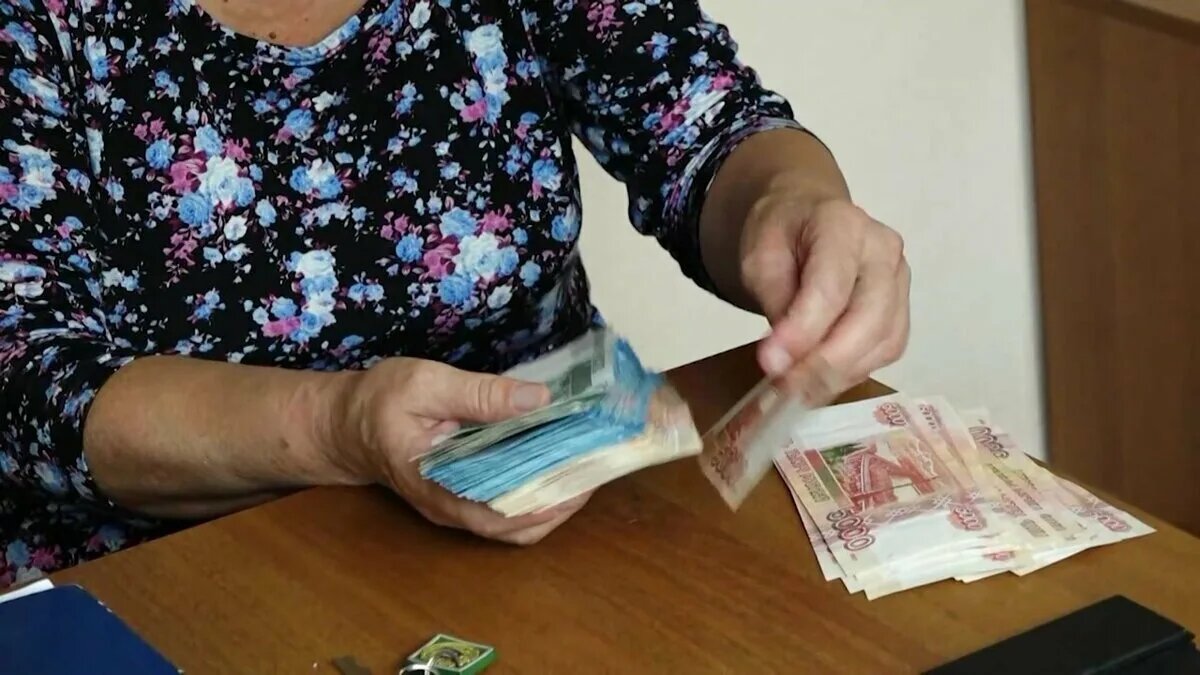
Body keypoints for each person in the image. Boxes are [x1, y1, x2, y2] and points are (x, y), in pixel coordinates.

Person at [0, 0, 909, 585]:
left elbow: (706, 125)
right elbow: (24, 378)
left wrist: (792, 205)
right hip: (161, 591)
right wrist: (338, 426)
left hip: (541, 544)